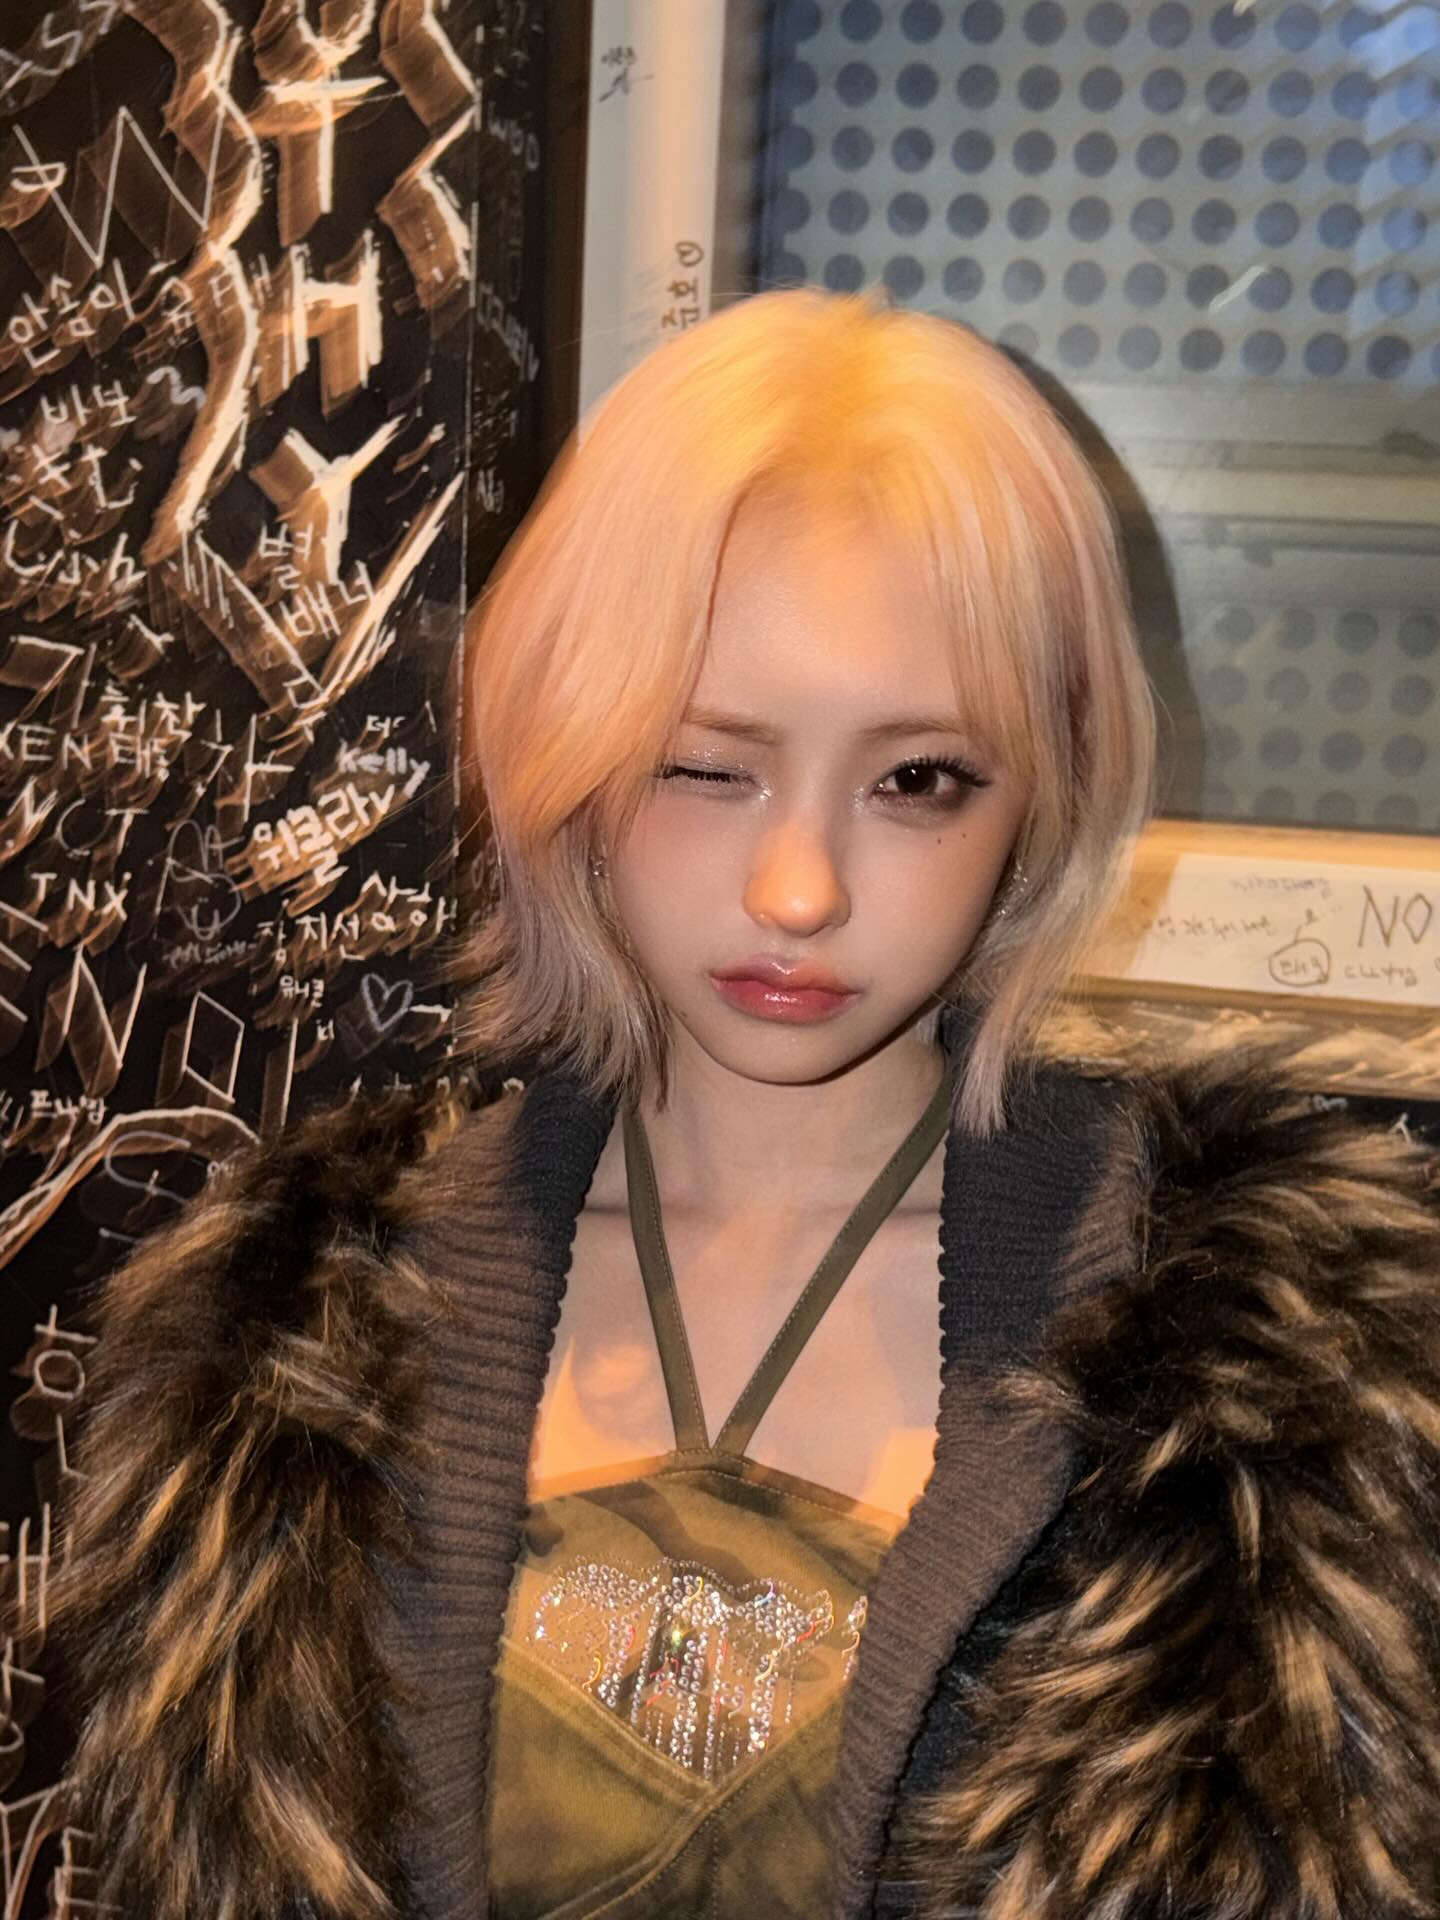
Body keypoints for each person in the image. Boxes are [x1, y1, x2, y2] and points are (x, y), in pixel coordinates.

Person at [34, 288, 1440, 1920]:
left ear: (1042, 796)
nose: (798, 888)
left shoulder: (1284, 1403)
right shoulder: (273, 1351)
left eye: (919, 781)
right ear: (567, 750)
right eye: (708, 766)